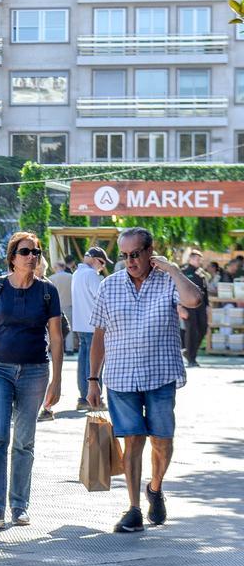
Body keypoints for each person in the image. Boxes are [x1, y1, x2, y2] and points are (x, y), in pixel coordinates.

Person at [87, 228, 203, 533]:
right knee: (133, 441)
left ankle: (155, 487)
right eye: (124, 256)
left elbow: (194, 300)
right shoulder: (109, 286)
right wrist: (93, 379)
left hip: (160, 375)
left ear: (150, 251)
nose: (130, 261)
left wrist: (173, 269)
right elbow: (98, 336)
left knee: (163, 441)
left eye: (135, 254)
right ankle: (134, 508)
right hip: (121, 378)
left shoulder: (168, 281)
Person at [0, 232, 63, 528]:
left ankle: (20, 506)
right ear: (12, 257)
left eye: (36, 251)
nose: (32, 256)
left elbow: (57, 337)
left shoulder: (47, 291)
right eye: (26, 252)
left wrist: (58, 379)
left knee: (24, 440)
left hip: (35, 371)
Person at [70, 247, 109, 411]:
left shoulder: (77, 273)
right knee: (95, 363)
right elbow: (103, 298)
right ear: (94, 259)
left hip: (81, 323)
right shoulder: (91, 275)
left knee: (84, 360)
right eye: (102, 263)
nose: (102, 267)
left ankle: (83, 397)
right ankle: (94, 398)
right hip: (94, 325)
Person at [180, 250, 211, 368]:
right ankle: (192, 358)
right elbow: (179, 290)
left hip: (201, 306)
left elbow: (205, 291)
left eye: (200, 259)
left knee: (203, 329)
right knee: (191, 331)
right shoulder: (184, 272)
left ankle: (189, 352)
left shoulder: (201, 273)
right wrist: (180, 307)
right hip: (188, 306)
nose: (199, 261)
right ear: (190, 259)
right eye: (197, 259)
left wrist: (207, 305)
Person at [50, 259, 75, 353]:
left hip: (55, 306)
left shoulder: (51, 278)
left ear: (56, 267)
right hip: (69, 305)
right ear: (64, 267)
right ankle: (69, 349)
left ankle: (56, 349)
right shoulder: (71, 277)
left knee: (54, 329)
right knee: (69, 329)